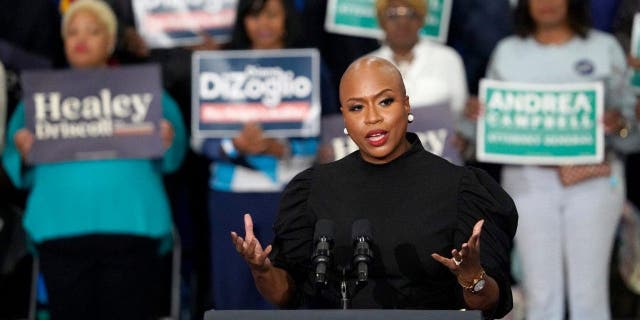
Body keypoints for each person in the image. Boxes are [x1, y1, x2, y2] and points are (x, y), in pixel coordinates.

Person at [229, 56, 518, 319]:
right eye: (357, 107)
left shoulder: (461, 188)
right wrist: (262, 271)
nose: (372, 118)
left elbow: (490, 302)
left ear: (406, 105)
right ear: (344, 117)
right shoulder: (313, 189)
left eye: (385, 102)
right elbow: (286, 295)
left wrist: (472, 277)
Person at [1, 1, 187, 319]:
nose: (81, 38)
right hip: (59, 232)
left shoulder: (145, 90)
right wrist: (22, 151)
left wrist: (168, 141)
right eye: (72, 32)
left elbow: (175, 155)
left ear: (111, 40)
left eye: (93, 30)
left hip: (133, 230)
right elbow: (14, 166)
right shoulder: (39, 98)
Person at [477, 0, 636, 319]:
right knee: (539, 295)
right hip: (527, 180)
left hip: (595, 180)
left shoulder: (604, 48)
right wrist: (474, 118)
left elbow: (631, 128)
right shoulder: (507, 51)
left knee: (589, 295)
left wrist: (619, 124)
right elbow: (482, 125)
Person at [192, 0, 321, 310]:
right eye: (254, 14)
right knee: (233, 290)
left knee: (288, 287)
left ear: (287, 19)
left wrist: (284, 149)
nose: (263, 23)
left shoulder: (311, 66)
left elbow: (323, 137)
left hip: (289, 195)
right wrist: (235, 147)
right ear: (243, 21)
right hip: (230, 196)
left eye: (272, 14)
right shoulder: (218, 66)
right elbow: (201, 141)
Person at [367, 0, 468, 119]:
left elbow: (462, 114)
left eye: (410, 14)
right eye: (393, 15)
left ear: (421, 20)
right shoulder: (366, 66)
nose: (402, 22)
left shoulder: (448, 59)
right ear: (382, 22)